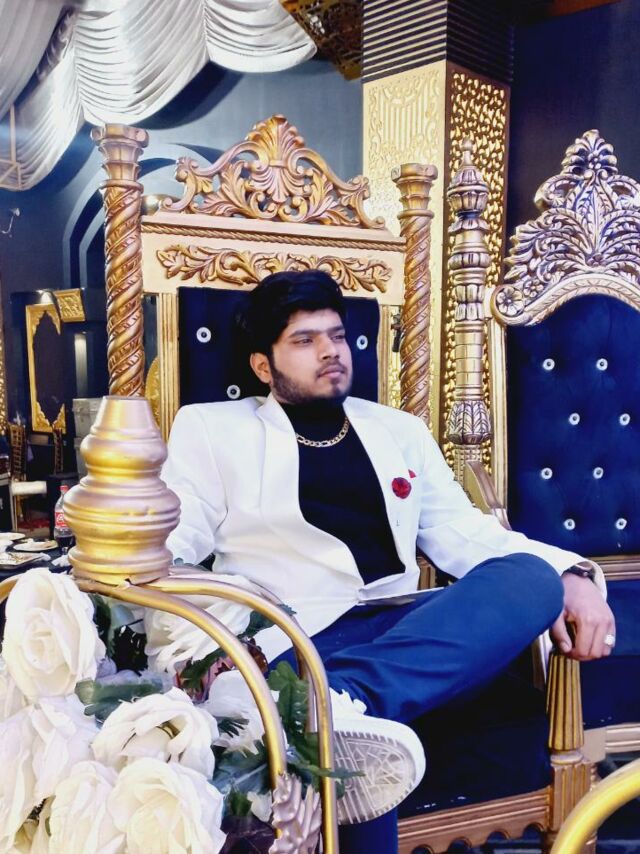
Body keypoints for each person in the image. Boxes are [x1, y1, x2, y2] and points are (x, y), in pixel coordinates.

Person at [162, 270, 615, 850]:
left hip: (405, 629)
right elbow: (172, 543)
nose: (331, 351)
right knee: (366, 752)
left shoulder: (399, 431)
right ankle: (342, 713)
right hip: (297, 637)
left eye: (337, 335)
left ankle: (342, 702)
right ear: (262, 366)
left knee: (530, 579)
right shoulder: (212, 429)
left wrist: (570, 576)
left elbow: (460, 532)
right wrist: (216, 643)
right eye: (305, 340)